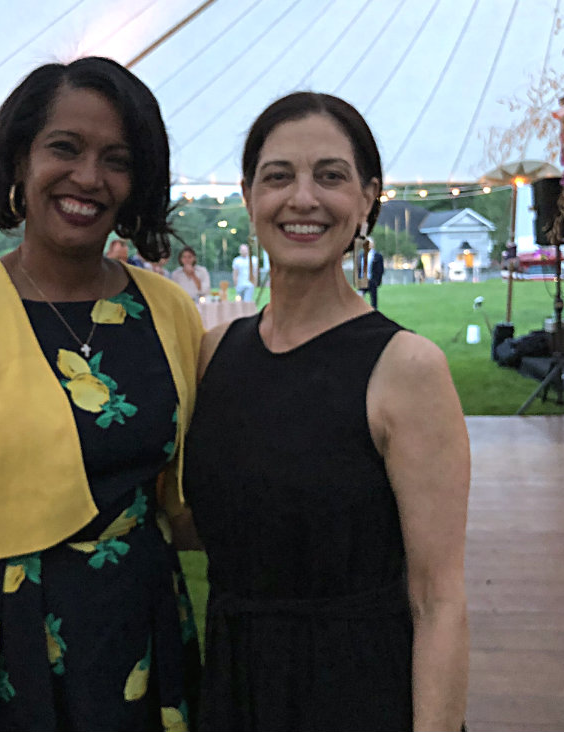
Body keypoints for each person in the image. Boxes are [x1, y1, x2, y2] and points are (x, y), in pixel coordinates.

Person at [0, 57, 203, 732]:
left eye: (116, 160)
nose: (89, 177)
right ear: (20, 159)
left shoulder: (169, 310)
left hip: (141, 636)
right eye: (65, 148)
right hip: (3, 651)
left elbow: (185, 503)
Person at [182, 92, 469, 731]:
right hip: (236, 685)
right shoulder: (214, 353)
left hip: (356, 691)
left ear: (367, 199)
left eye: (330, 176)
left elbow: (439, 600)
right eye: (278, 176)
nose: (303, 198)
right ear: (249, 196)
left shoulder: (406, 368)